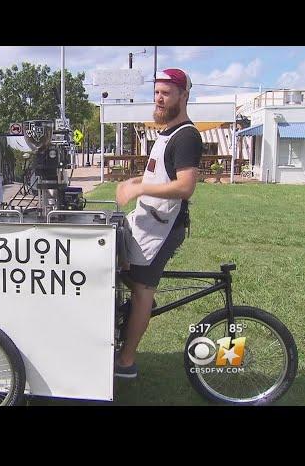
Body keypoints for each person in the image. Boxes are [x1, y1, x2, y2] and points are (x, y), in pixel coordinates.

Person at [114, 68, 203, 378]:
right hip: (148, 220)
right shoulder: (166, 132)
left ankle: (125, 362)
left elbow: (184, 186)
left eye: (166, 92)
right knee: (114, 265)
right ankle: (140, 312)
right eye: (156, 93)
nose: (159, 98)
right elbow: (160, 174)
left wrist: (139, 188)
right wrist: (135, 179)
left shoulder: (187, 135)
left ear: (183, 95)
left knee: (141, 291)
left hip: (164, 226)